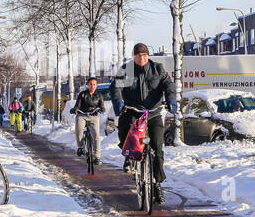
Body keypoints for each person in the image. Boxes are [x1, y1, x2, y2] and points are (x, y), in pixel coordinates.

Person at [110, 43, 177, 205]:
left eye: (145, 55)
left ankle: (157, 185)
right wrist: (118, 102)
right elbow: (116, 88)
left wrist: (171, 98)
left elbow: (168, 85)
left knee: (157, 148)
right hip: (134, 112)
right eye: (139, 55)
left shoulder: (157, 69)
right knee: (127, 129)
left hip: (153, 113)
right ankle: (129, 155)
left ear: (148, 56)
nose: (142, 58)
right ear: (134, 56)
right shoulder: (127, 70)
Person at [69, 76, 106, 162]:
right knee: (79, 130)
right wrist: (75, 110)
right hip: (82, 115)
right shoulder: (82, 94)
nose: (92, 86)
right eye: (90, 84)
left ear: (96, 85)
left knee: (96, 135)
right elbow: (77, 105)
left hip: (94, 116)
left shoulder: (99, 95)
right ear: (87, 85)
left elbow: (102, 106)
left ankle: (97, 157)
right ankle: (81, 147)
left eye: (94, 84)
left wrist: (101, 109)